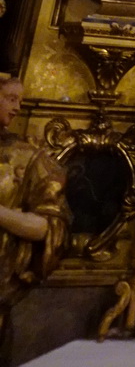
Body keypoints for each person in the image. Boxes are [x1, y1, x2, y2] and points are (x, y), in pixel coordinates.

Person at [0, 76, 68, 317]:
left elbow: (47, 226)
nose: (17, 108)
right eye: (10, 99)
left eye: (19, 100)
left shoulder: (29, 158)